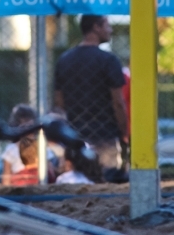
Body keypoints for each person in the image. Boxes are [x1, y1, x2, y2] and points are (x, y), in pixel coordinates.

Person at [53, 15, 128, 171]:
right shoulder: (109, 60)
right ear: (96, 27)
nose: (111, 30)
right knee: (106, 181)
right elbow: (118, 102)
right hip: (105, 133)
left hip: (74, 134)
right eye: (107, 25)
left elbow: (59, 102)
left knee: (76, 180)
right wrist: (123, 131)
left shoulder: (64, 60)